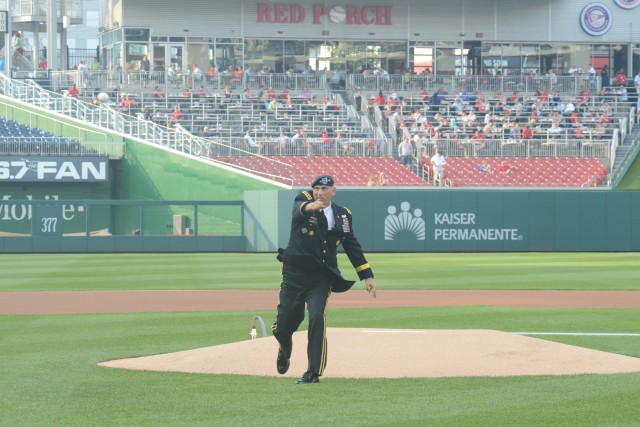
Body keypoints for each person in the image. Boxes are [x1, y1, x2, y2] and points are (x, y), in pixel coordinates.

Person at [272, 175, 377, 384]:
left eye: (324, 188)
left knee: (317, 316)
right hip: (295, 272)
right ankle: (285, 344)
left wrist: (367, 275)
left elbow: (351, 244)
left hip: (321, 274)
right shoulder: (303, 199)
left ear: (333, 191)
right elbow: (299, 210)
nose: (319, 192)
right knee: (285, 323)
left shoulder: (343, 215)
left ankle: (313, 372)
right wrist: (311, 206)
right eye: (316, 188)